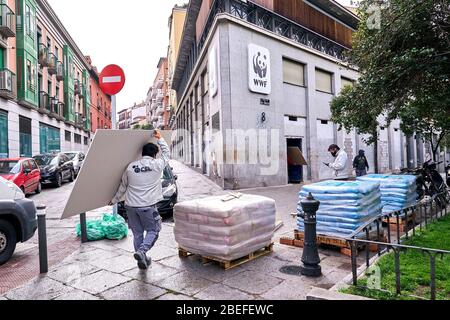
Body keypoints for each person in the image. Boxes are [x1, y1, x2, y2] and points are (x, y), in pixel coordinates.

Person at [110, 130, 170, 270]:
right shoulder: (157, 165)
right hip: (147, 206)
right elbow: (167, 154)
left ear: (142, 153)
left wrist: (114, 200)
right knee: (153, 230)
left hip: (130, 206)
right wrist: (160, 138)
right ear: (155, 155)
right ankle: (142, 251)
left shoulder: (131, 167)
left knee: (137, 234)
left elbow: (123, 186)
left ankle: (141, 260)